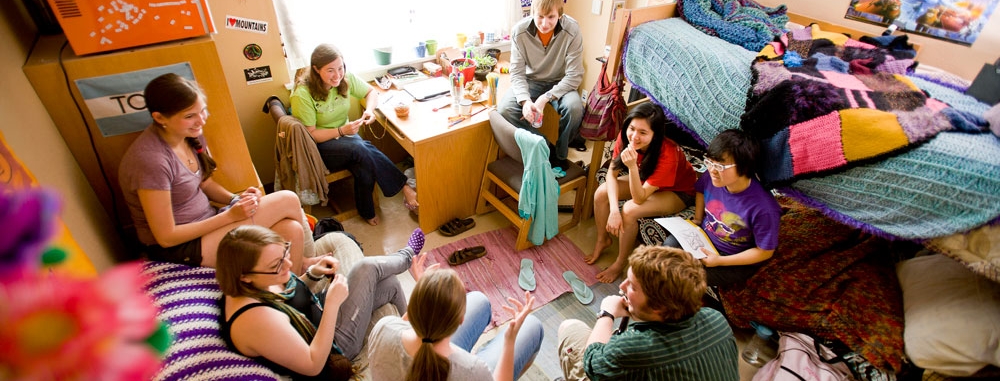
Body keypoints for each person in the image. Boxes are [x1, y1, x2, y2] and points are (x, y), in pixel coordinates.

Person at [119, 73, 315, 273]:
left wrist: (236, 200)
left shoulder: (189, 135)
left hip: (209, 223)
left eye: (202, 111)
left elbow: (205, 184)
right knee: (288, 199)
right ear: (160, 118)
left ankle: (298, 278)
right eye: (189, 116)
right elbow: (166, 237)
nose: (200, 121)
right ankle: (307, 264)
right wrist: (230, 216)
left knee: (291, 229)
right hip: (182, 247)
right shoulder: (151, 161)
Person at [217, 225, 426, 380]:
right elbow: (313, 364)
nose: (289, 265)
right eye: (277, 264)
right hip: (332, 347)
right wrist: (333, 305)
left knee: (388, 282)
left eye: (285, 252)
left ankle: (415, 335)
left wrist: (313, 274)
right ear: (244, 276)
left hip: (319, 314)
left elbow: (289, 298)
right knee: (366, 268)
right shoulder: (257, 320)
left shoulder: (254, 282)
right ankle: (407, 256)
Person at [557, 246, 739, 380]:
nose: (622, 287)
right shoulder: (717, 319)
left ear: (658, 307)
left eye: (632, 287)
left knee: (570, 328)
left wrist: (607, 313)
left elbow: (591, 362)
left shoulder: (635, 347)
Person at [290, 43, 418, 226]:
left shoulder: (345, 78)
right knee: (360, 148)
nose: (337, 75)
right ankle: (404, 186)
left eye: (341, 68)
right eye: (330, 70)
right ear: (316, 70)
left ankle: (366, 210)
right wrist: (342, 131)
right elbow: (311, 135)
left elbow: (371, 91)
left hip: (346, 138)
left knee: (363, 159)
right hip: (319, 147)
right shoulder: (302, 95)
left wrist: (370, 111)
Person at [368, 254, 544, 381]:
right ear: (461, 320)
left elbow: (407, 320)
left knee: (479, 300)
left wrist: (425, 292)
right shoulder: (472, 370)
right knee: (532, 325)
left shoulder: (383, 327)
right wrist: (510, 339)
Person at [587, 102, 698, 283]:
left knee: (630, 210)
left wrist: (631, 167)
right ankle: (602, 240)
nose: (635, 137)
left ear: (655, 135)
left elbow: (639, 198)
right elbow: (611, 174)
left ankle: (620, 263)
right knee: (601, 193)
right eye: (632, 128)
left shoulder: (668, 153)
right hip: (645, 181)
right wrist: (614, 210)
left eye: (643, 133)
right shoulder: (626, 137)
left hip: (677, 191)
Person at [666, 129, 781, 289]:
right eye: (710, 162)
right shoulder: (711, 177)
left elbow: (765, 251)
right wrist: (698, 219)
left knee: (685, 275)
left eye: (720, 165)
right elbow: (700, 190)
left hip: (733, 257)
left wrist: (720, 261)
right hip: (705, 238)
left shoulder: (764, 208)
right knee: (667, 249)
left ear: (744, 167)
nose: (712, 170)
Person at [498, 0, 585, 171]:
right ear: (532, 13)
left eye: (551, 17)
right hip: (532, 81)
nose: (545, 23)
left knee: (575, 109)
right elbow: (517, 72)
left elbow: (574, 75)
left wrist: (546, 97)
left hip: (562, 82)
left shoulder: (572, 30)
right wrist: (525, 100)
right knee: (505, 110)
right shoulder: (519, 32)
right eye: (540, 17)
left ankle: (560, 155)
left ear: (560, 16)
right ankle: (545, 147)